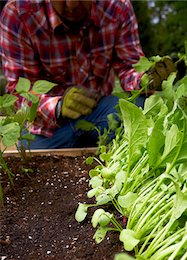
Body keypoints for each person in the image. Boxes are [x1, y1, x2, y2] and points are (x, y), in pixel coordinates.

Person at [0, 0, 177, 149]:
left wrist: (147, 79)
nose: (72, 4)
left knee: (142, 109)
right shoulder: (19, 13)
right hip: (46, 127)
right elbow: (20, 92)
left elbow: (129, 68)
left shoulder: (116, 7)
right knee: (29, 163)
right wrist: (58, 106)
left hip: (101, 111)